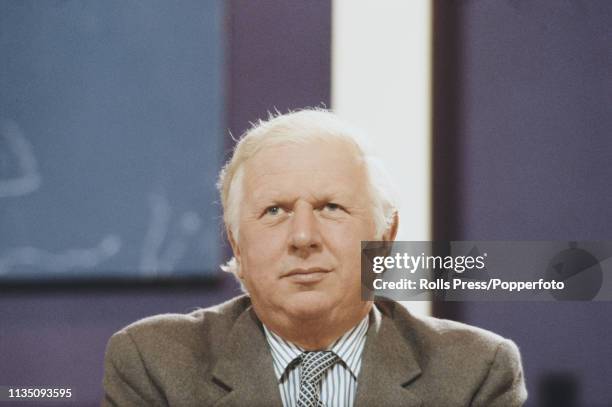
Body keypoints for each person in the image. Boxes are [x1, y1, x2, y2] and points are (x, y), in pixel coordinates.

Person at [102, 109, 527, 406]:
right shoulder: (153, 362)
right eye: (275, 211)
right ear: (237, 244)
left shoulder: (475, 370)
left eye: (331, 208)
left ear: (385, 236)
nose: (303, 237)